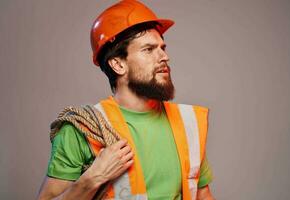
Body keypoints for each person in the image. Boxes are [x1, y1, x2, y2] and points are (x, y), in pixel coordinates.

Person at [37, 0, 215, 199]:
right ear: (118, 64)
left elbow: (202, 193)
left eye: (162, 47)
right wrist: (95, 177)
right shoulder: (81, 130)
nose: (164, 56)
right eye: (149, 49)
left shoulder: (187, 123)